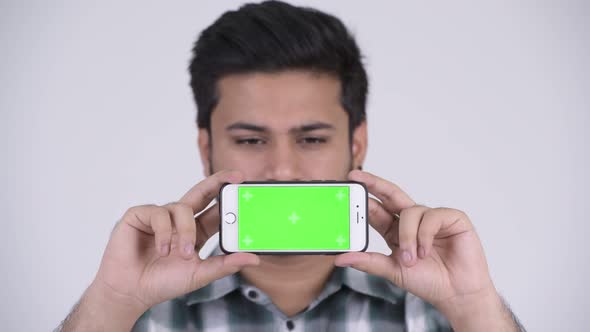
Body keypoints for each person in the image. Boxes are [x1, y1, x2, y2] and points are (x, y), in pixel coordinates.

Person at [57, 1, 525, 331]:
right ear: (207, 150)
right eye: (251, 139)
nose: (282, 169)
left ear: (356, 143)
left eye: (312, 138)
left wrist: (474, 308)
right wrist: (114, 303)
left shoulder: (438, 309)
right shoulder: (139, 310)